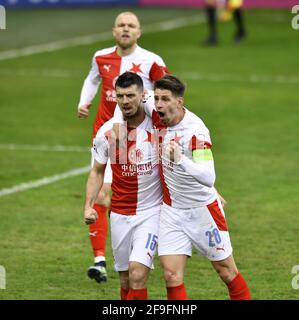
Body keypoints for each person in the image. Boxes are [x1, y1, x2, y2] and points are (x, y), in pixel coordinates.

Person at [113, 74, 251, 300]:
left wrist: (180, 159)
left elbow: (208, 177)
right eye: (157, 98)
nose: (158, 104)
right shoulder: (155, 109)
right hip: (171, 211)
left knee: (226, 271)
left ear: (179, 102)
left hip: (202, 210)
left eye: (165, 99)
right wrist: (118, 124)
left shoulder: (195, 133)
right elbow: (128, 100)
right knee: (171, 275)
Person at [77, 11, 169, 283]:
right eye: (121, 25)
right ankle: (99, 260)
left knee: (153, 191)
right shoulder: (100, 57)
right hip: (109, 138)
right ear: (114, 30)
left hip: (144, 138)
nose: (126, 29)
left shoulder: (152, 60)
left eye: (131, 26)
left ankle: (157, 242)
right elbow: (92, 79)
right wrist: (84, 102)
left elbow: (167, 92)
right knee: (103, 196)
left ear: (139, 32)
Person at [84, 72, 162, 300]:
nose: (125, 101)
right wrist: (88, 206)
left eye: (130, 95)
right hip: (119, 213)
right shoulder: (107, 132)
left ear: (143, 95)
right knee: (126, 279)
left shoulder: (158, 126)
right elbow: (97, 171)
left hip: (151, 213)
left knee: (138, 274)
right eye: (120, 96)